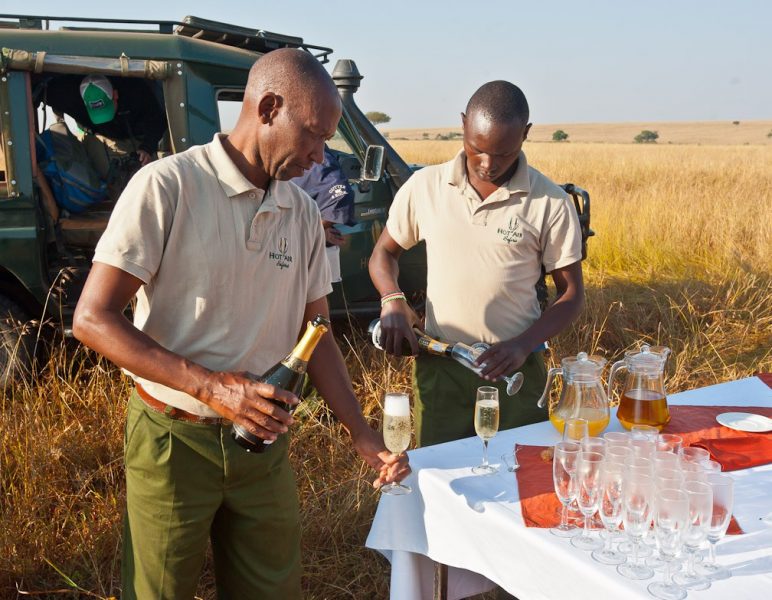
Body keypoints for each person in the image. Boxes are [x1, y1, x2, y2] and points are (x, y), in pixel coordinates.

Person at [72, 48, 409, 599]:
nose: (320, 155)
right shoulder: (167, 187)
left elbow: (316, 332)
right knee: (158, 589)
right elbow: (91, 318)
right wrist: (213, 387)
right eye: (315, 136)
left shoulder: (300, 211)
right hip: (172, 438)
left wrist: (360, 432)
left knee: (271, 587)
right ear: (270, 107)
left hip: (263, 442)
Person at [369, 80, 585, 448]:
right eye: (476, 149)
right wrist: (392, 299)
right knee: (439, 475)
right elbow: (383, 254)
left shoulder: (549, 201)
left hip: (516, 369)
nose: (487, 164)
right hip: (441, 365)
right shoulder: (425, 186)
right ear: (463, 125)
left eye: (503, 153)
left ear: (525, 135)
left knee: (517, 473)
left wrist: (522, 345)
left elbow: (572, 294)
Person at [43, 74, 167, 181]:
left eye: (106, 108)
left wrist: (147, 148)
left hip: (138, 136)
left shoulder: (136, 91)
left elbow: (157, 120)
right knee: (110, 178)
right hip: (100, 138)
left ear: (115, 95)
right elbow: (38, 90)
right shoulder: (66, 95)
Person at [291, 144, 356, 282]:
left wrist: (316, 229)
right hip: (298, 254)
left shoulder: (311, 151)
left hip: (303, 256)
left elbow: (340, 195)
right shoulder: (307, 149)